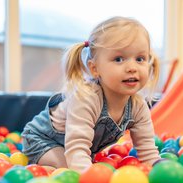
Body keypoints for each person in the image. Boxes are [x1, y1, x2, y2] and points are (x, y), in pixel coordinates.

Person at [21, 16, 161, 173]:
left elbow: (148, 150)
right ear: (95, 68)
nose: (132, 67)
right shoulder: (87, 98)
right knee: (68, 169)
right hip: (42, 140)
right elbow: (77, 147)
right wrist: (91, 178)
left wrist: (160, 169)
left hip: (77, 149)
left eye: (140, 59)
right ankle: (38, 171)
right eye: (119, 59)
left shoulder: (138, 106)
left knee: (81, 163)